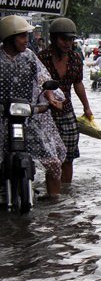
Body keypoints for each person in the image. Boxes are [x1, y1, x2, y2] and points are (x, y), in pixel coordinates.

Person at [0, 15, 67, 198]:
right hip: (1, 118)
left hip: (28, 117)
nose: (26, 40)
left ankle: (54, 202)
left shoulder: (29, 56)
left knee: (53, 162)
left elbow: (43, 78)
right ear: (9, 37)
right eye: (22, 36)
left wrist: (50, 96)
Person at [37, 17, 94, 185]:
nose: (67, 43)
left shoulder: (76, 59)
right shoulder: (41, 58)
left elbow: (78, 84)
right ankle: (54, 196)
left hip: (67, 112)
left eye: (70, 39)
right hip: (45, 113)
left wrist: (87, 108)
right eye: (63, 39)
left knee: (68, 157)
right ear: (53, 38)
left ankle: (66, 195)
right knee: (51, 158)